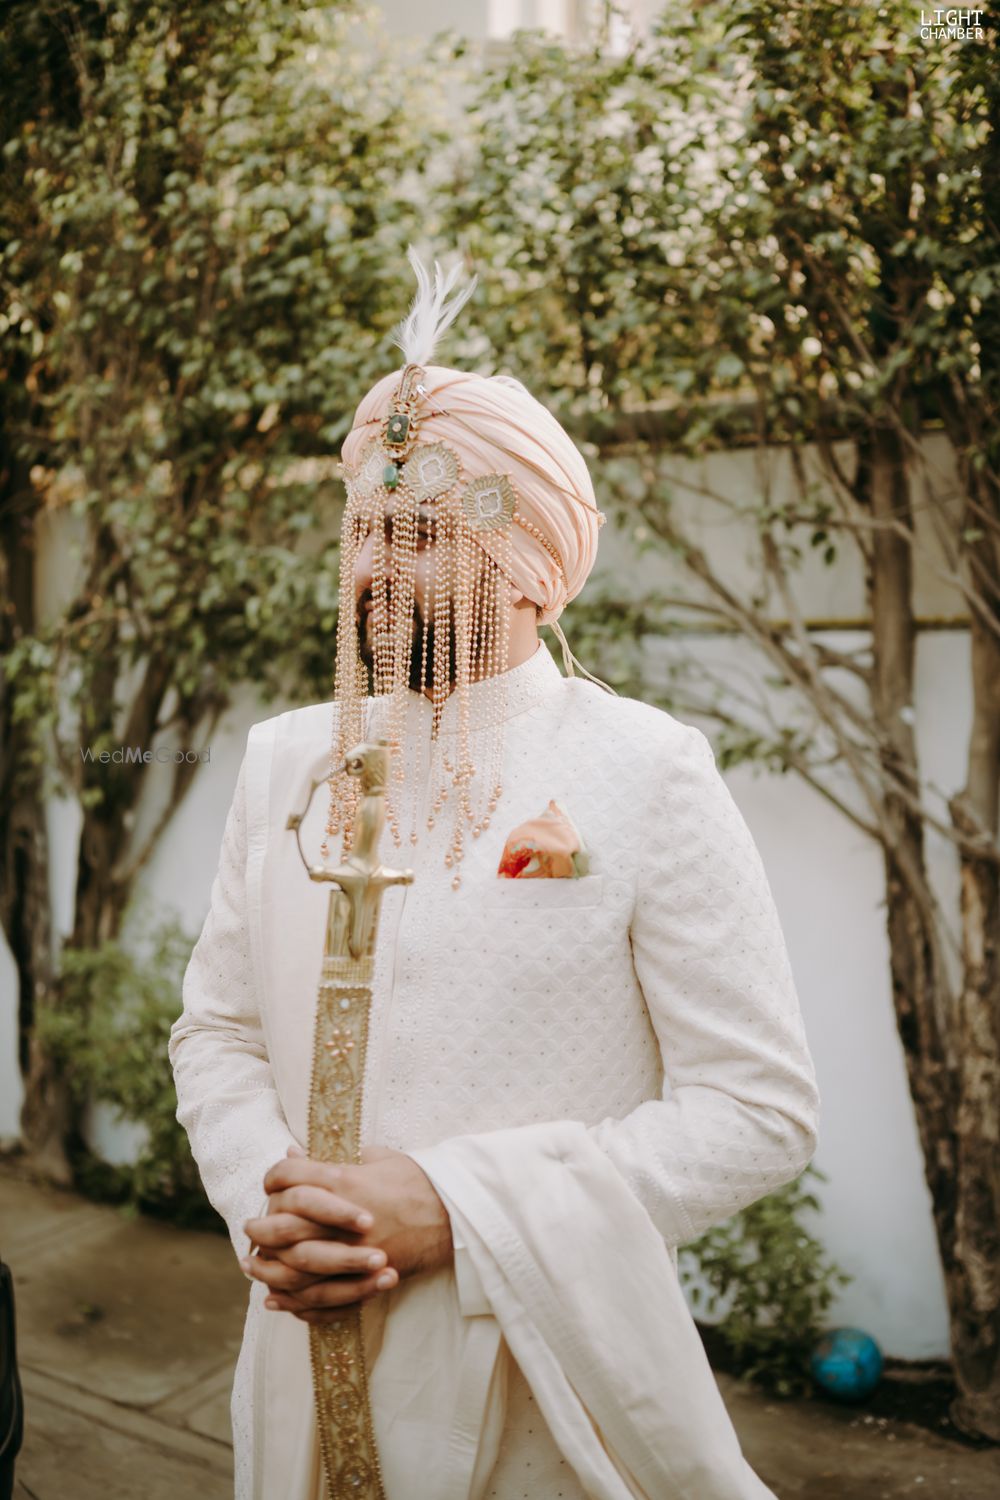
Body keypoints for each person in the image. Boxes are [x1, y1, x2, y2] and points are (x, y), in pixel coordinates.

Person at [168, 251, 821, 1500]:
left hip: (539, 1373)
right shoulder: (285, 762)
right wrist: (284, 1207)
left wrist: (456, 1209)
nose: (369, 569)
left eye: (413, 535)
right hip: (297, 1344)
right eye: (361, 530)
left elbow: (757, 1108)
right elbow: (220, 1030)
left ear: (525, 560)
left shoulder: (644, 770)